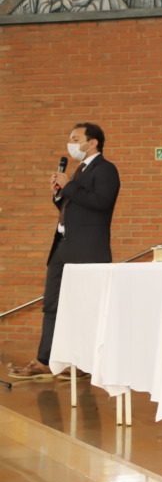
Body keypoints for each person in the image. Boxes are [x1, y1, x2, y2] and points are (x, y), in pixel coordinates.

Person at [10, 123, 121, 380]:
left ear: (92, 142)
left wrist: (69, 186)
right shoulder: (79, 171)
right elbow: (75, 206)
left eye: (75, 138)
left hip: (87, 249)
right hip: (62, 245)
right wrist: (59, 195)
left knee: (85, 307)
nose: (71, 143)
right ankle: (45, 361)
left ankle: (83, 363)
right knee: (52, 304)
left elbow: (101, 202)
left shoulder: (105, 169)